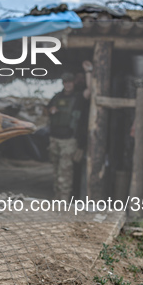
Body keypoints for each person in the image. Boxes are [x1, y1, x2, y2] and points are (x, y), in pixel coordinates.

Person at [47, 61, 92, 200]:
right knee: (55, 172)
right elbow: (47, 110)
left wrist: (88, 72)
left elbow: (90, 90)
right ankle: (57, 199)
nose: (68, 84)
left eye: (70, 82)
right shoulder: (56, 97)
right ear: (62, 83)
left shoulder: (78, 97)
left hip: (69, 141)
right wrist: (51, 110)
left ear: (74, 83)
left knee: (65, 173)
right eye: (65, 82)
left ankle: (63, 202)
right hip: (54, 139)